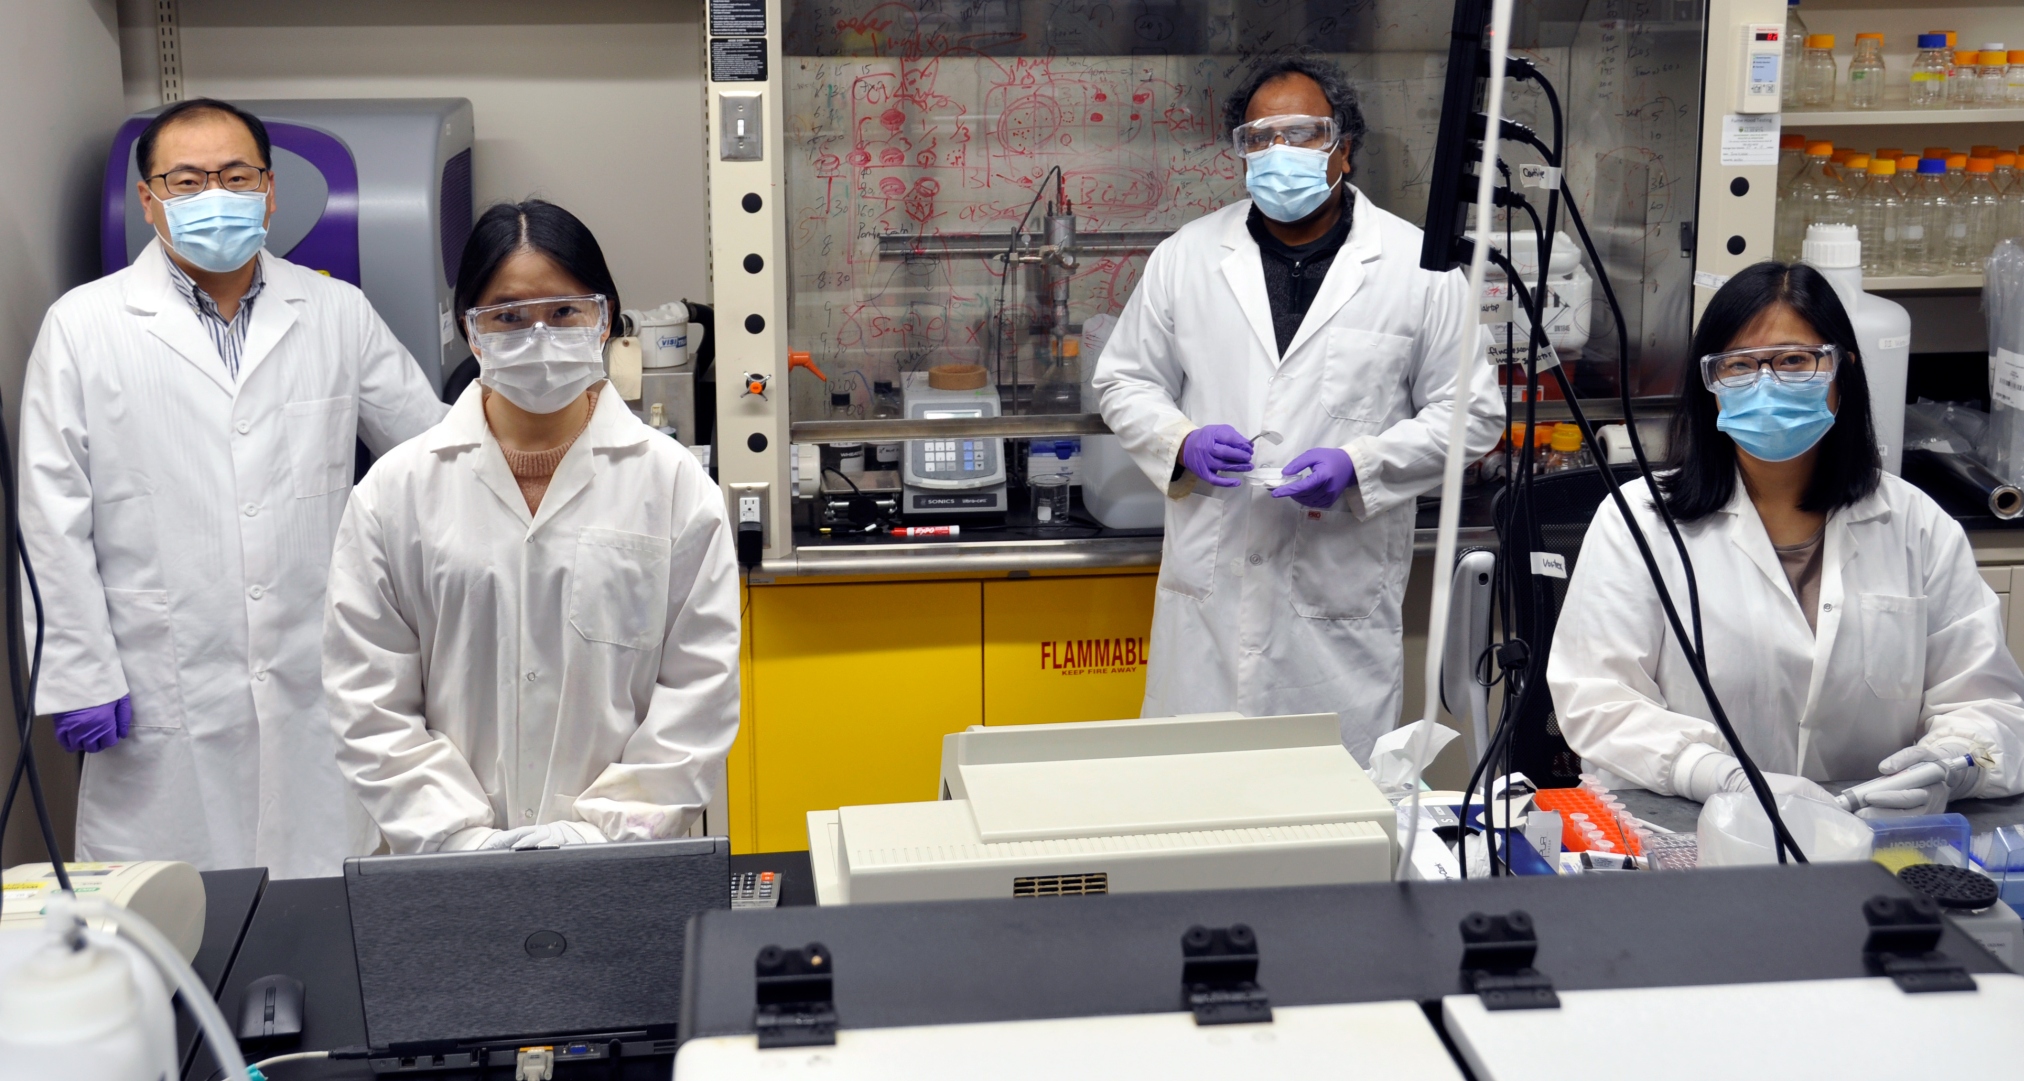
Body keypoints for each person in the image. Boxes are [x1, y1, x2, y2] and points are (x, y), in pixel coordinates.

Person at [19, 98, 447, 877]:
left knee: (324, 914)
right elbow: (52, 515)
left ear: (270, 190)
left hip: (314, 677)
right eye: (185, 180)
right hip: (160, 685)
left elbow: (433, 454)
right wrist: (79, 670)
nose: (213, 194)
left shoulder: (334, 313)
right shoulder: (82, 327)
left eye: (234, 175)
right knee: (167, 930)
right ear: (146, 200)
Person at [1092, 57, 1503, 759]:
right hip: (1209, 619)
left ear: (1343, 144)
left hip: (1334, 621)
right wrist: (1181, 442)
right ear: (1240, 156)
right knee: (1195, 828)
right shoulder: (1186, 258)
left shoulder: (1418, 269)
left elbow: (1474, 414)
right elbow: (1123, 381)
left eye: (1302, 133)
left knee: (1330, 832)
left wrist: (1360, 463)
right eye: (1259, 138)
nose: (1278, 152)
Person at [323, 200, 740, 852]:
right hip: (443, 870)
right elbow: (369, 700)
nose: (540, 336)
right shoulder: (394, 494)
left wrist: (599, 835)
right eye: (510, 317)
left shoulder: (675, 489)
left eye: (565, 312)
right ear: (470, 329)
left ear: (605, 318)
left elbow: (698, 692)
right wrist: (459, 839)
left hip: (624, 862)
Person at [1548, 262, 2024, 815]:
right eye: (1740, 365)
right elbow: (1597, 700)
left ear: (1842, 370)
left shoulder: (1917, 525)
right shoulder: (1638, 522)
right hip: (1688, 830)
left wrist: (1950, 766)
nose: (1767, 383)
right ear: (1711, 385)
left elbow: (1990, 704)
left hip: (1872, 836)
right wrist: (1718, 776)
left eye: (1795, 360)